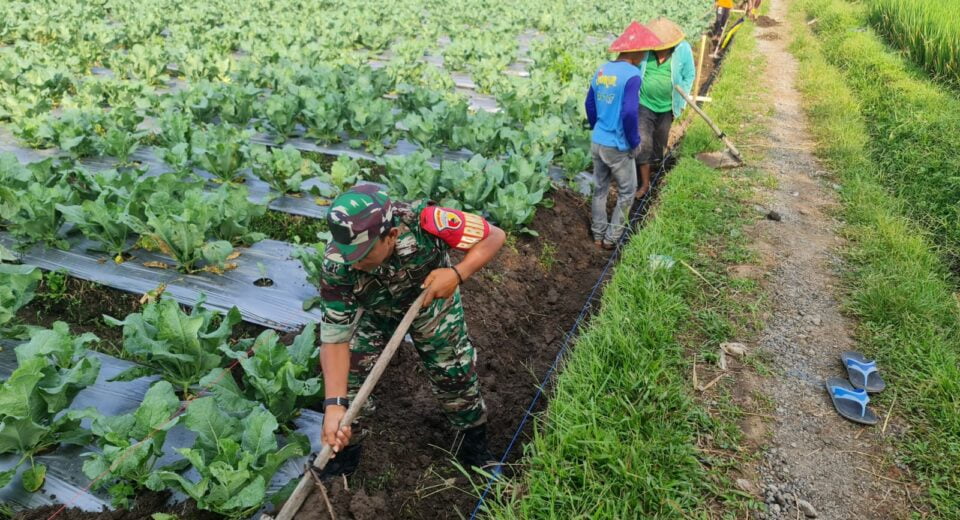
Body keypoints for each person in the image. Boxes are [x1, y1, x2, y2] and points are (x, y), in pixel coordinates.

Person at [317, 184, 506, 476]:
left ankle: (475, 449)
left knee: (453, 370)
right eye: (348, 256)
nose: (353, 265)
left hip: (432, 301)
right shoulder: (338, 264)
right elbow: (335, 338)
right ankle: (344, 460)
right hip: (376, 312)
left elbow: (494, 236)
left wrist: (457, 273)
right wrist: (334, 405)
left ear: (390, 236)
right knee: (350, 384)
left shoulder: (428, 221)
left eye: (362, 256)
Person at [584, 21, 660, 250]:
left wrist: (599, 126)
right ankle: (611, 239)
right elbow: (628, 112)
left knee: (600, 188)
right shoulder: (632, 75)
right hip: (618, 145)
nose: (646, 55)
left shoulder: (602, 69)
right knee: (627, 191)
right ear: (635, 51)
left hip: (598, 140)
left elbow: (589, 103)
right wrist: (634, 141)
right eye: (645, 50)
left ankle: (597, 235)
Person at [634, 18, 696, 199]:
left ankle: (655, 173)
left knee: (659, 142)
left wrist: (682, 98)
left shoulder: (682, 49)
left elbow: (689, 74)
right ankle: (644, 184)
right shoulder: (645, 51)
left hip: (668, 106)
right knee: (643, 142)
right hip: (644, 103)